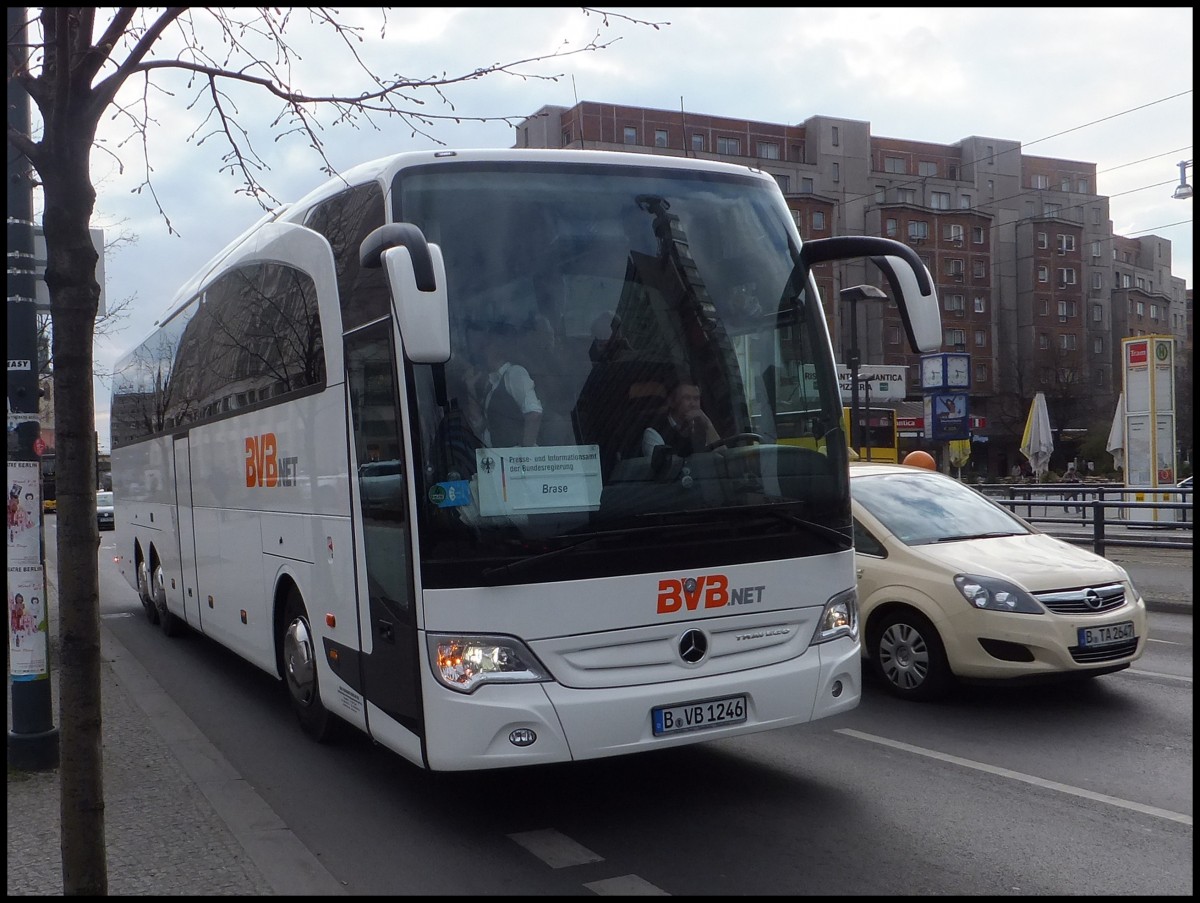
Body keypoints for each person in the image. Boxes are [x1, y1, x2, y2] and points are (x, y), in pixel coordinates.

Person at [475, 329, 543, 448]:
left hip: (516, 460)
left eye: (485, 346)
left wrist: (526, 454)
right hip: (497, 459)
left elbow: (534, 414)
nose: (482, 352)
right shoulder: (491, 384)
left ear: (498, 349)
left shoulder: (515, 373)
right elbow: (480, 425)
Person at [642, 377, 719, 458]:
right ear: (671, 402)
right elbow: (660, 468)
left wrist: (708, 425)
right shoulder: (654, 432)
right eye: (687, 398)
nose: (693, 404)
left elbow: (725, 460)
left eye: (696, 398)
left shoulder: (702, 427)